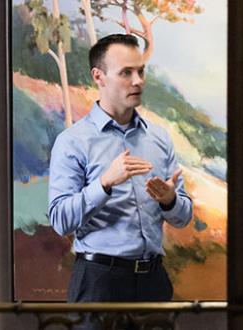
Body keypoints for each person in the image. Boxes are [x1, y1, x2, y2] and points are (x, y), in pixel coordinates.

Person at [48, 33, 193, 309]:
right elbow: (60, 221)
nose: (138, 81)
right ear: (98, 77)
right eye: (126, 72)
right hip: (98, 284)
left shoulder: (159, 139)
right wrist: (103, 183)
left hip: (154, 282)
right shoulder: (72, 142)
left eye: (140, 71)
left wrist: (170, 201)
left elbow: (183, 217)